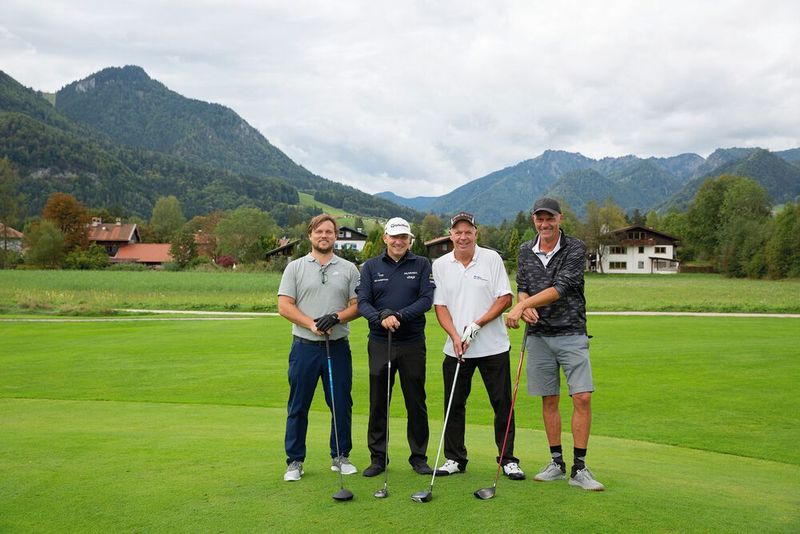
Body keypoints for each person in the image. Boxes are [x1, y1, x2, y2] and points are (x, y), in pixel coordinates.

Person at [505, 197, 605, 491]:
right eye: (540, 219)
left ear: (560, 219)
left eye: (550, 219)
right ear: (534, 220)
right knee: (549, 399)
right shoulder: (525, 250)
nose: (545, 224)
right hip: (538, 336)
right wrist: (524, 304)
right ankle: (557, 463)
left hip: (572, 332)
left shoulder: (575, 248)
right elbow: (522, 287)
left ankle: (580, 468)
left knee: (582, 397)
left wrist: (518, 309)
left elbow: (560, 288)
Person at [430, 211, 525, 480]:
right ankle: (454, 458)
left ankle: (507, 459)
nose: (463, 236)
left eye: (467, 231)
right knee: (454, 405)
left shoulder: (491, 259)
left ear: (476, 233)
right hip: (456, 349)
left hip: (493, 347)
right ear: (451, 235)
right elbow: (441, 306)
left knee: (502, 403)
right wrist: (455, 335)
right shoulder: (440, 265)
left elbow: (505, 298)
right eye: (457, 232)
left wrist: (477, 324)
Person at [278, 214, 361, 482]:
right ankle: (295, 461)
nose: (324, 235)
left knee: (340, 403)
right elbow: (285, 306)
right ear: (310, 235)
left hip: (337, 347)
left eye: (329, 231)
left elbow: (357, 305)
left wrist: (336, 317)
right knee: (299, 404)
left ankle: (340, 456)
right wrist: (311, 324)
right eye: (319, 231)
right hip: (304, 347)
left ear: (335, 236)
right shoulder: (296, 268)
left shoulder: (349, 269)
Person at [356, 217, 438, 477]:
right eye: (395, 236)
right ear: (385, 238)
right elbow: (363, 303)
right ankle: (378, 458)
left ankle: (418, 457)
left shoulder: (422, 264)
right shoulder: (370, 266)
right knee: (379, 401)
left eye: (404, 237)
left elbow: (426, 300)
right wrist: (381, 317)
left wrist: (399, 316)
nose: (399, 241)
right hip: (380, 343)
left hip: (412, 342)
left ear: (409, 240)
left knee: (416, 400)